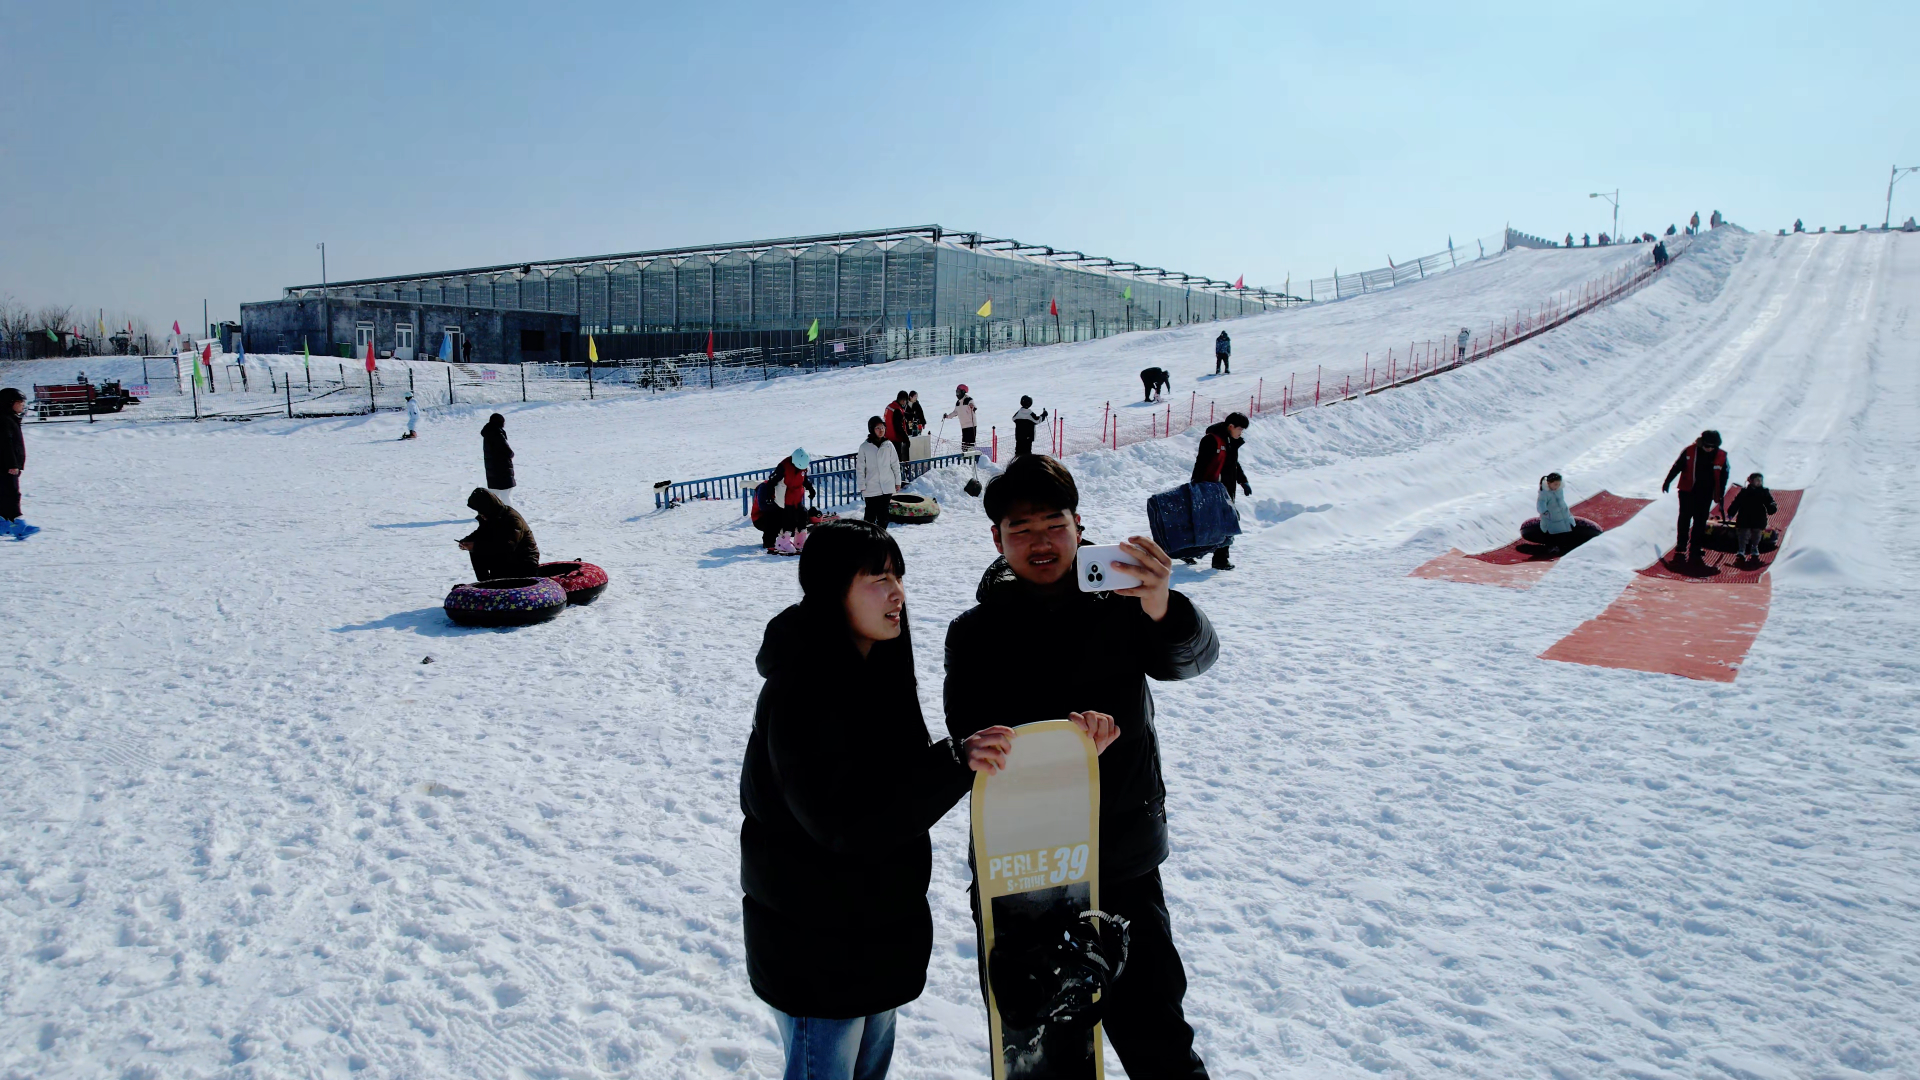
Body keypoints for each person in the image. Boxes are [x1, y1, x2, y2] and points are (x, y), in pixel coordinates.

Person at [944, 454, 1220, 1080]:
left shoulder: (1123, 605)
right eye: (1020, 529)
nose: (1040, 542)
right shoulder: (974, 632)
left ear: (1079, 527)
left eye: (1054, 524)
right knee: (1040, 1056)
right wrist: (1058, 747)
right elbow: (971, 737)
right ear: (997, 539)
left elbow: (1192, 660)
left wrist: (1161, 603)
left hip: (1121, 858)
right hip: (1022, 870)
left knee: (1158, 1041)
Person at [740, 520, 1021, 1080]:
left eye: (898, 577)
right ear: (832, 591)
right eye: (878, 578)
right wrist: (952, 764)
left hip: (872, 937)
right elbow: (843, 822)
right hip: (816, 948)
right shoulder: (802, 690)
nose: (897, 594)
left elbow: (894, 788)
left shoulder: (877, 671)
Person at [1662, 429, 1730, 569]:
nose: (1709, 449)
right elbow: (1677, 466)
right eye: (1706, 446)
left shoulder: (1722, 456)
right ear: (1701, 443)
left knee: (1700, 521)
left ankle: (1695, 548)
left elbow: (1724, 476)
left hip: (1706, 493)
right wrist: (1668, 481)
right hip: (1687, 491)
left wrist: (1720, 494)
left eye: (1712, 447)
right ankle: (1681, 545)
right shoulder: (1690, 451)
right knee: (1684, 518)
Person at [1191, 412, 1250, 571]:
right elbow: (1201, 463)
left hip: (1226, 489)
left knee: (1224, 522)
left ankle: (1219, 558)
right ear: (1230, 426)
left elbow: (1234, 464)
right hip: (1210, 489)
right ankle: (1217, 559)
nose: (1241, 432)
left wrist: (1243, 481)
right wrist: (1197, 485)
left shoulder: (1231, 441)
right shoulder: (1211, 440)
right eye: (1240, 429)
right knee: (1217, 522)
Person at [457, 488, 539, 581]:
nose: (480, 514)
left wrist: (476, 546)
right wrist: (467, 541)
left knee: (477, 547)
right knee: (475, 550)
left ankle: (492, 582)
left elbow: (507, 546)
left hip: (523, 560)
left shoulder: (512, 519)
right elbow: (481, 532)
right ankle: (485, 582)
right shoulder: (492, 516)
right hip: (506, 557)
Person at [1532, 473, 1601, 552]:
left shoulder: (1559, 490)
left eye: (1559, 484)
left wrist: (1566, 512)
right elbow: (1540, 504)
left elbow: (1561, 502)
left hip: (1562, 515)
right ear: (1548, 483)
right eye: (1555, 484)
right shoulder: (1544, 493)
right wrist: (1545, 512)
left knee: (1564, 531)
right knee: (1553, 533)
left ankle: (1565, 545)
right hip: (1551, 518)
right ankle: (1553, 546)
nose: (1557, 486)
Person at [856, 417, 902, 529]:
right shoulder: (865, 447)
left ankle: (881, 536)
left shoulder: (888, 445)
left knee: (883, 516)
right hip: (871, 486)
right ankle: (867, 537)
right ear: (872, 429)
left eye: (882, 427)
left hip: (887, 485)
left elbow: (895, 464)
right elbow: (860, 468)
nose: (881, 430)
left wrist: (897, 482)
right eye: (878, 428)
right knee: (870, 516)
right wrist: (861, 485)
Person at [769, 449, 815, 552]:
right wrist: (769, 495)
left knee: (803, 515)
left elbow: (804, 479)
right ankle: (782, 543)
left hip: (797, 497)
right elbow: (772, 481)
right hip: (786, 497)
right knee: (789, 519)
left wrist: (810, 488)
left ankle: (800, 542)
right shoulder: (784, 466)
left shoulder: (802, 467)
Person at [1728, 472, 1777, 567]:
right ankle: (1741, 550)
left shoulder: (1764, 492)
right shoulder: (1745, 492)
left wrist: (1771, 507)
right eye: (1757, 480)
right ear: (1751, 481)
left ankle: (1754, 547)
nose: (1759, 482)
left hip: (1758, 517)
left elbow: (1769, 501)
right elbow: (1737, 502)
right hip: (1745, 516)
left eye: (1761, 481)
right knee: (1743, 533)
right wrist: (1731, 512)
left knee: (1756, 534)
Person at [1, 388, 28, 538]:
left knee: (7, 493)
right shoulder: (4, 420)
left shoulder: (10, 419)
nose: (23, 405)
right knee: (11, 494)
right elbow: (6, 444)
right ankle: (17, 525)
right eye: (20, 402)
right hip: (6, 465)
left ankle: (5, 523)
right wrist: (12, 464)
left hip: (8, 464)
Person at [481, 413, 515, 506]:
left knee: (495, 496)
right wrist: (511, 454)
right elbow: (507, 450)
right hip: (502, 469)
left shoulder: (488, 432)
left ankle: (493, 512)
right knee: (506, 494)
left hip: (492, 470)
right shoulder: (497, 433)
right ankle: (509, 512)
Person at [943, 385, 977, 454]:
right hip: (964, 426)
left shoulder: (968, 399)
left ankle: (971, 457)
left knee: (970, 444)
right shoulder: (958, 402)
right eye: (956, 392)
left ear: (963, 392)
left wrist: (972, 406)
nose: (957, 394)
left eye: (958, 392)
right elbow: (955, 412)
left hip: (971, 425)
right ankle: (965, 458)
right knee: (964, 445)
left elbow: (973, 405)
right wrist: (948, 416)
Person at [883, 392, 911, 466]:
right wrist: (906, 439)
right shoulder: (897, 410)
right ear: (903, 400)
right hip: (895, 439)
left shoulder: (890, 407)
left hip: (887, 437)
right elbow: (898, 426)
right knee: (897, 462)